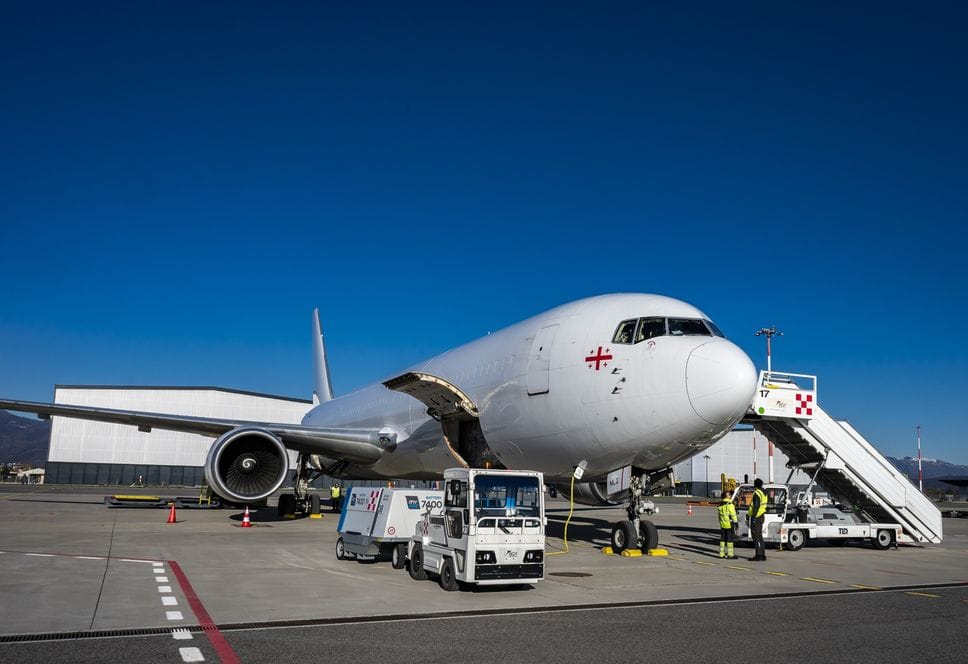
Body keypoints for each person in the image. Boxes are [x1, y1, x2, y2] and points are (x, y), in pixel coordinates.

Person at [748, 478, 768, 561]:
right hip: (761, 515)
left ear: (755, 485)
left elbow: (756, 506)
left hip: (756, 516)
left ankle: (758, 555)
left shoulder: (757, 493)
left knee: (755, 536)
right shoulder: (764, 492)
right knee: (760, 536)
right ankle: (763, 555)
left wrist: (753, 517)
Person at [718, 490, 738, 559]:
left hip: (722, 524)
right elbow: (733, 514)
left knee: (722, 539)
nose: (730, 496)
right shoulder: (730, 505)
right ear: (727, 497)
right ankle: (730, 554)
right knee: (730, 540)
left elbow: (719, 516)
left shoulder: (720, 504)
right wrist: (736, 522)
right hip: (729, 524)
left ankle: (721, 554)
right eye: (729, 495)